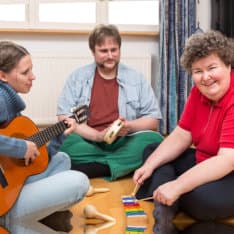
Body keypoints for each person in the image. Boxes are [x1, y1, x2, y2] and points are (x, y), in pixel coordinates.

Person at [133, 30, 234, 233]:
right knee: (151, 152)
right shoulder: (197, 92)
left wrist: (178, 185)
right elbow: (181, 135)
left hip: (229, 171)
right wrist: (150, 165)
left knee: (202, 201)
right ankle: (166, 199)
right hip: (203, 161)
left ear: (228, 66)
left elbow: (226, 160)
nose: (205, 77)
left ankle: (164, 196)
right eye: (197, 71)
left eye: (212, 68)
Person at [48, 24, 162, 181]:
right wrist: (98, 136)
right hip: (88, 141)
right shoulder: (78, 77)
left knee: (154, 140)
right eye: (103, 51)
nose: (110, 56)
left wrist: (129, 125)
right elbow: (65, 118)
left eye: (114, 50)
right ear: (93, 52)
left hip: (123, 141)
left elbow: (153, 120)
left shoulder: (136, 78)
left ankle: (96, 168)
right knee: (60, 139)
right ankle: (119, 165)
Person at [0, 41, 89, 231]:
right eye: (25, 72)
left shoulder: (12, 109)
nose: (33, 77)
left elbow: (37, 161)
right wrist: (21, 147)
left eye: (31, 70)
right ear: (2, 76)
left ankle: (40, 213)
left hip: (10, 186)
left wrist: (60, 135)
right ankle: (10, 220)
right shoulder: (1, 99)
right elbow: (20, 148)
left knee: (62, 159)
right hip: (3, 203)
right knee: (80, 182)